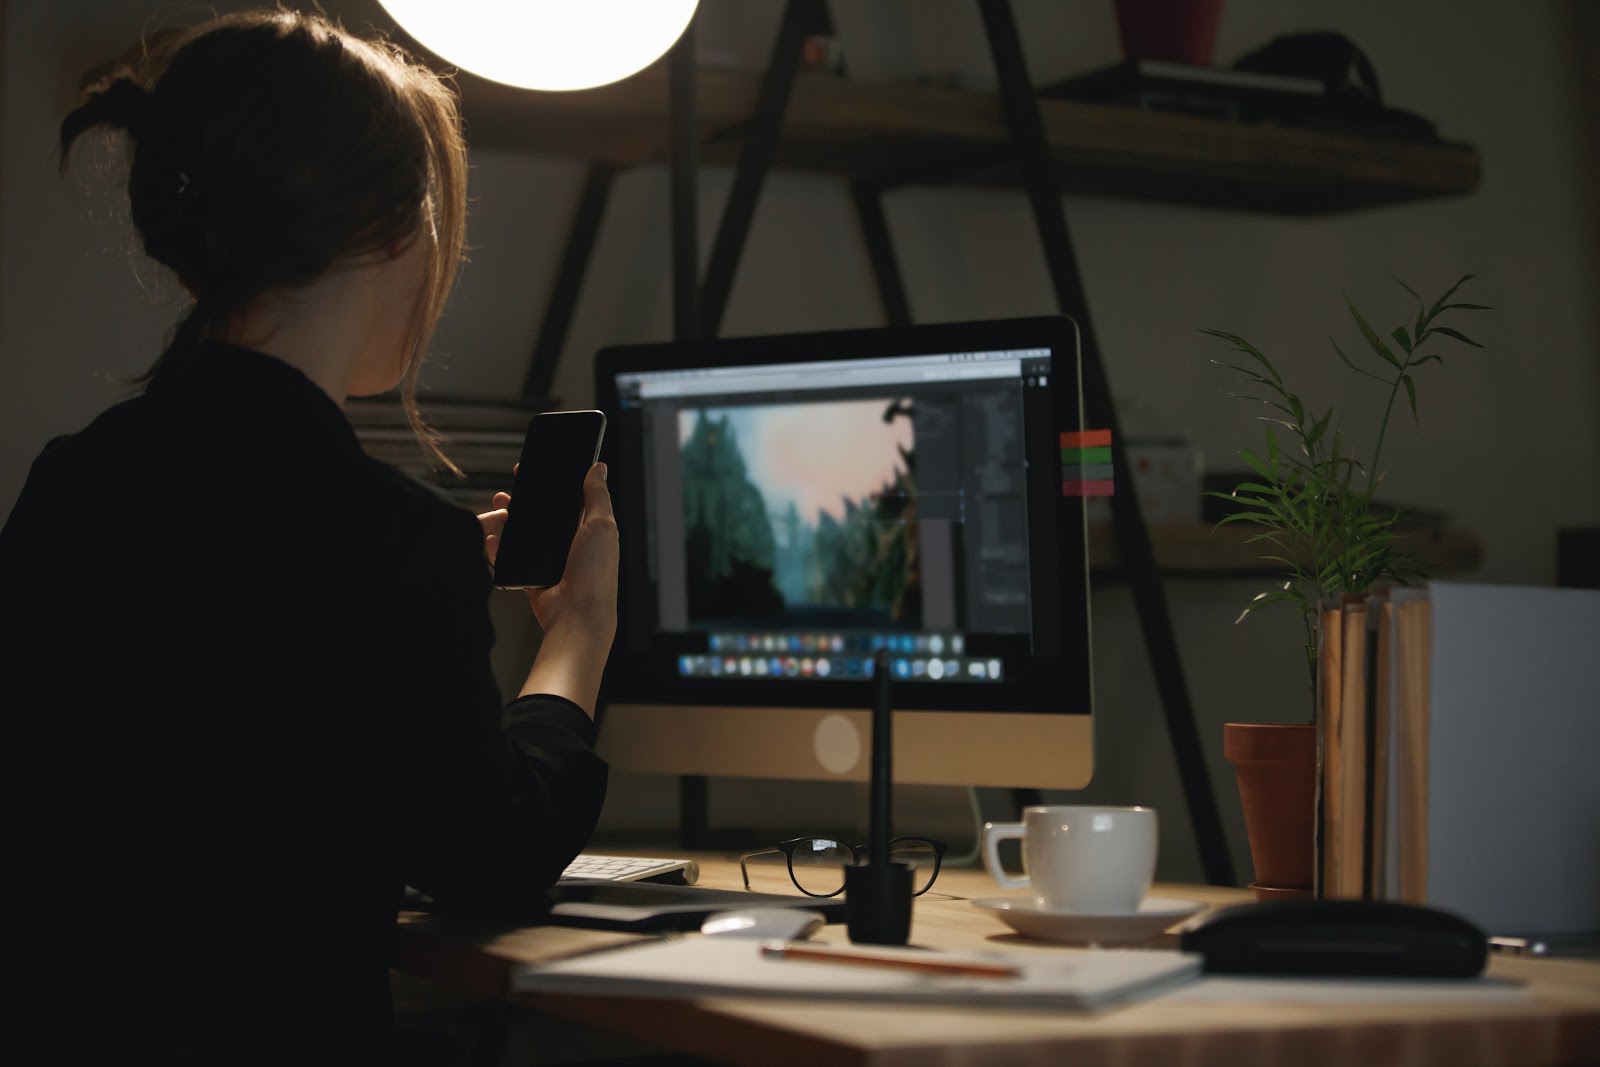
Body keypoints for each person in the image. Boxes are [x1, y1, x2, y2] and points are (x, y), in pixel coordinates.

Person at [0, 7, 615, 1062]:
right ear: (395, 229)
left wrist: (422, 615)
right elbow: (492, 853)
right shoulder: (386, 540)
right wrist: (579, 631)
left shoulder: (72, 481)